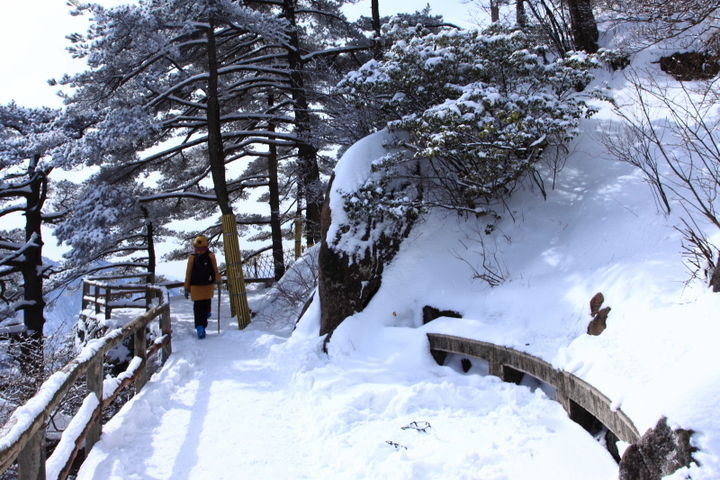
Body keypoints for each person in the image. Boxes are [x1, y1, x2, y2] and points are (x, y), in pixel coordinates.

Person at [184, 235, 221, 339]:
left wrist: (187, 287)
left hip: (195, 286)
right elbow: (215, 269)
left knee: (198, 307)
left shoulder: (192, 257)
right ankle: (207, 313)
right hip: (208, 285)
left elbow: (188, 273)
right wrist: (218, 280)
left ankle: (200, 327)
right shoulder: (210, 255)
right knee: (206, 302)